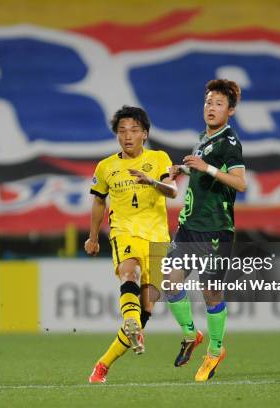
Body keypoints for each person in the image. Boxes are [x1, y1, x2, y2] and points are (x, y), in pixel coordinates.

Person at [85, 105, 177, 384]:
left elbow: (172, 191)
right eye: (122, 131)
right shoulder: (106, 167)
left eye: (134, 130)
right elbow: (99, 200)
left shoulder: (159, 158)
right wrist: (92, 236)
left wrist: (151, 181)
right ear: (116, 136)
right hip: (124, 233)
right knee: (129, 273)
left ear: (145, 134)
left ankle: (102, 364)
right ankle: (131, 322)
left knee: (146, 308)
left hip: (158, 238)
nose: (128, 136)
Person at [166, 79, 247, 382]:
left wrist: (207, 168)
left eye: (218, 104)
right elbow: (199, 168)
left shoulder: (230, 142)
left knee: (211, 293)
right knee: (170, 282)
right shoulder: (204, 139)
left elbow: (240, 183)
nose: (211, 108)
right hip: (189, 226)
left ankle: (215, 351)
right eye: (208, 102)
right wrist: (182, 169)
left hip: (216, 229)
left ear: (231, 110)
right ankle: (191, 334)